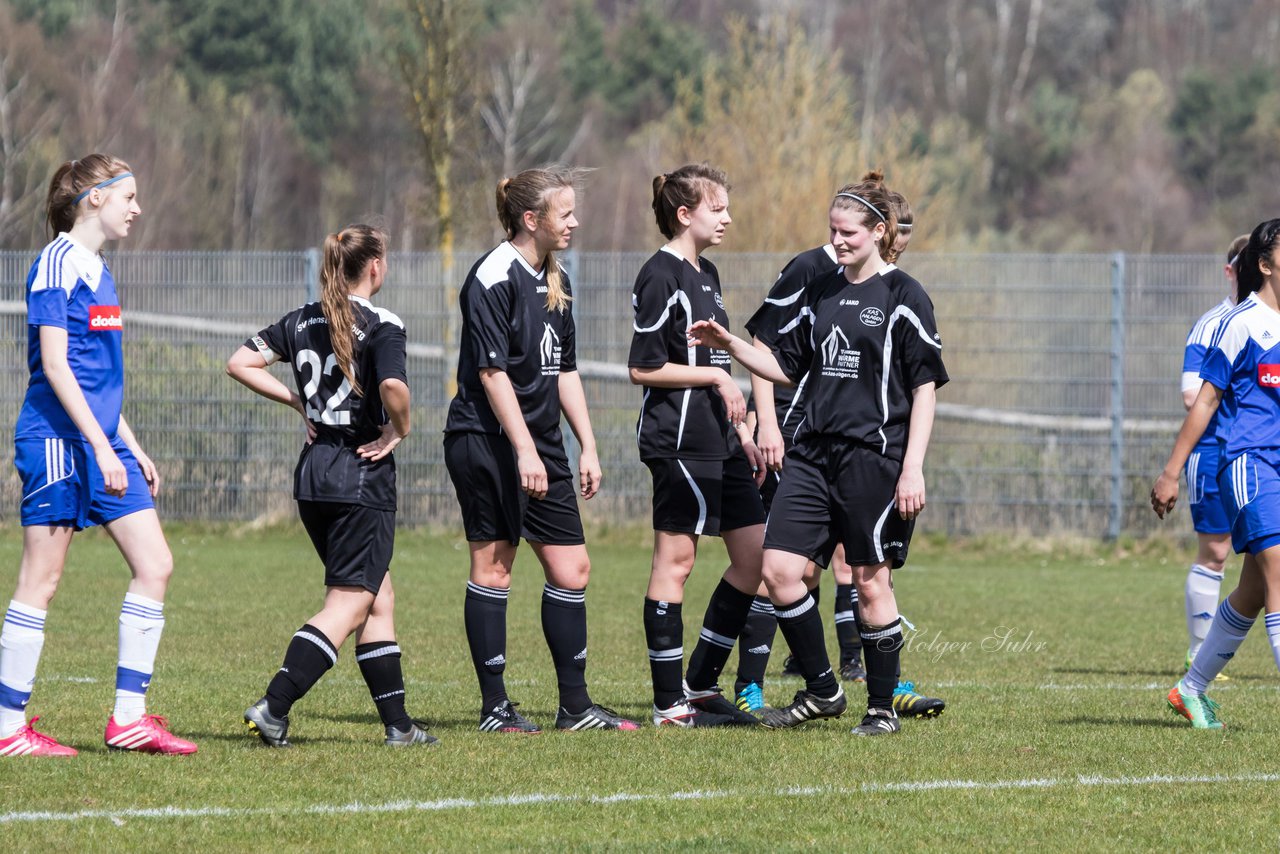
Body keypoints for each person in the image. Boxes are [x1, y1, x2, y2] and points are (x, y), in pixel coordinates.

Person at [687, 172, 948, 735]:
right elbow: (786, 366)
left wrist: (913, 467)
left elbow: (924, 387)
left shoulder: (906, 296)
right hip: (812, 454)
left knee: (869, 578)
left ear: (879, 232)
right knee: (780, 570)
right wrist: (730, 345)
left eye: (849, 231)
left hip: (873, 459)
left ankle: (880, 709)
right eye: (832, 231)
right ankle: (825, 690)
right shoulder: (824, 290)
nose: (839, 241)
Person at [0, 154, 196, 756]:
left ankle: (128, 720)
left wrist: (128, 445)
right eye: (128, 196)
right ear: (93, 199)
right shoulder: (55, 264)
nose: (137, 208)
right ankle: (8, 729)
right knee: (43, 578)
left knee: (155, 563)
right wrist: (97, 443)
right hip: (58, 440)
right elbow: (56, 367)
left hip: (100, 440)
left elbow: (96, 375)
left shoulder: (101, 269)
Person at [444, 167, 637, 733]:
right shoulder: (492, 276)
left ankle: (574, 708)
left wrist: (589, 445)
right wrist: (524, 449)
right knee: (495, 568)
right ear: (532, 220)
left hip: (541, 445)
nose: (575, 222)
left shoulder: (557, 279)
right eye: (565, 213)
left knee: (572, 569)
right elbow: (490, 372)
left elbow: (564, 369)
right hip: (487, 441)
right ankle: (495, 708)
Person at [228, 223, 436, 748]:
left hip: (314, 473)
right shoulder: (382, 321)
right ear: (375, 267)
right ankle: (274, 705)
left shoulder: (301, 318)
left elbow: (240, 362)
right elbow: (393, 386)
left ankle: (399, 726)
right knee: (348, 603)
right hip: (359, 474)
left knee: (377, 597)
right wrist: (401, 429)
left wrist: (298, 401)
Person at [628, 163, 767, 727]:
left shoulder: (706, 273)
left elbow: (714, 359)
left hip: (722, 441)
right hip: (679, 441)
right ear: (685, 214)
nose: (728, 217)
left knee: (757, 559)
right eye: (718, 208)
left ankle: (701, 685)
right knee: (677, 561)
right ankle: (668, 704)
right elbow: (642, 368)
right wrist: (714, 379)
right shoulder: (659, 274)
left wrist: (744, 432)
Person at [1154, 218, 1280, 729]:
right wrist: (1171, 471)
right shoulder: (1242, 323)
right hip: (1250, 463)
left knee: (1253, 589)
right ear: (1267, 265)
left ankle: (1191, 688)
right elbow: (1204, 402)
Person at [1175, 233, 1249, 678]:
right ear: (1230, 270)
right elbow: (1190, 394)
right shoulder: (1212, 324)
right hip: (1214, 451)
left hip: (1258, 455)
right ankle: (1199, 654)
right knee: (1216, 552)